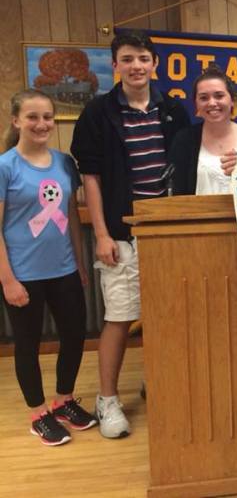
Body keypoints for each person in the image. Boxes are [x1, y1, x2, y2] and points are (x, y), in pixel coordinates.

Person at [71, 31, 190, 439]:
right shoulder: (98, 114)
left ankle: (159, 384)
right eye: (127, 59)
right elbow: (91, 178)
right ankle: (107, 399)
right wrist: (102, 234)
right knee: (119, 318)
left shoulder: (174, 110)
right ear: (116, 65)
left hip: (167, 235)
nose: (136, 65)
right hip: (122, 234)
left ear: (154, 63)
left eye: (143, 58)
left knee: (167, 318)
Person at [0, 90, 96, 446]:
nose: (41, 124)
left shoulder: (64, 163)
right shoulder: (5, 166)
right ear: (16, 121)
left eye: (47, 117)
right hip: (23, 273)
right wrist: (7, 278)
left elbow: (70, 215)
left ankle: (64, 401)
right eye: (32, 117)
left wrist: (79, 262)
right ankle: (39, 413)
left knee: (74, 336)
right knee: (28, 344)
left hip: (64, 269)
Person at [169, 65, 237, 195]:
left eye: (219, 96)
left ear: (233, 100)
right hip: (198, 214)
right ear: (196, 104)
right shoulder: (184, 140)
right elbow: (178, 194)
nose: (212, 103)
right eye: (204, 98)